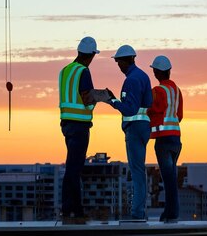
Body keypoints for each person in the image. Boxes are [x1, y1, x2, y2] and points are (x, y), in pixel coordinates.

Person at [106, 45, 153, 220]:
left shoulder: (131, 80)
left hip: (133, 129)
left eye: (118, 62)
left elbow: (129, 109)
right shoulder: (143, 76)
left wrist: (112, 101)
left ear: (125, 61)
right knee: (140, 170)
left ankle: (137, 212)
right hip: (144, 128)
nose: (118, 65)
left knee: (137, 171)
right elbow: (147, 101)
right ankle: (139, 210)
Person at [58, 36, 100, 223]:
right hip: (79, 124)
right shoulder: (84, 71)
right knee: (74, 168)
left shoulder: (65, 71)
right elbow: (86, 97)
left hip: (66, 124)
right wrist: (97, 101)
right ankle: (72, 210)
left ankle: (72, 208)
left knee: (72, 166)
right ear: (90, 55)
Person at [147, 55, 183, 223]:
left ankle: (171, 213)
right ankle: (171, 212)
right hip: (176, 138)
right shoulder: (176, 90)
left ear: (156, 72)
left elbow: (152, 109)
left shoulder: (158, 91)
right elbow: (179, 115)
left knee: (168, 178)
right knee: (171, 177)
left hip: (163, 140)